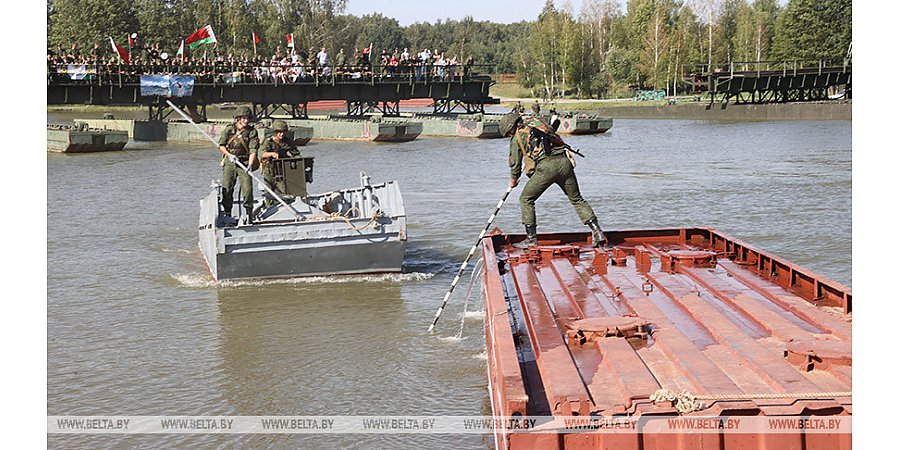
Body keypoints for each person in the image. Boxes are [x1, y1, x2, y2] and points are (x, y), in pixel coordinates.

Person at [500, 110, 606, 248]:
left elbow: (515, 163)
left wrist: (513, 180)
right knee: (577, 199)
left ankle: (531, 239)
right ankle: (598, 232)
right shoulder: (538, 123)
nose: (509, 136)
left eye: (508, 133)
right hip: (564, 163)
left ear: (511, 128)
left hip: (546, 167)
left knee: (526, 199)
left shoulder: (517, 137)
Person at [218, 106, 260, 220]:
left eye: (248, 118)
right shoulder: (229, 130)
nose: (246, 121)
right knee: (227, 188)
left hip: (244, 163)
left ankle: (248, 214)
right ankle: (227, 213)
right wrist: (228, 154)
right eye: (244, 118)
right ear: (238, 119)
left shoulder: (252, 132)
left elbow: (253, 150)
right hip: (230, 162)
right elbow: (221, 145)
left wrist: (250, 164)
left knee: (247, 189)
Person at [258, 120, 302, 207]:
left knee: (283, 191)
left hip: (282, 170)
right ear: (275, 132)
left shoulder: (287, 141)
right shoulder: (268, 141)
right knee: (269, 191)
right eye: (279, 132)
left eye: (283, 132)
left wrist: (296, 163)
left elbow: (296, 154)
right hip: (269, 170)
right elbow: (261, 154)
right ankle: (268, 208)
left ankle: (284, 207)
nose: (282, 134)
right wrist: (272, 154)